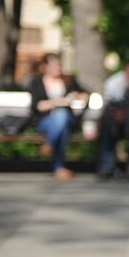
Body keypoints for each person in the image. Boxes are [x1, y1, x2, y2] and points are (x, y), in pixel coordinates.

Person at [26, 54, 89, 182]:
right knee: (61, 125)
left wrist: (80, 97)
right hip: (45, 121)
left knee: (62, 116)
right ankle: (59, 168)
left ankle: (49, 144)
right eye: (54, 65)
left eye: (59, 65)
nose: (58, 68)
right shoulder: (37, 82)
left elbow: (85, 94)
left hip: (68, 119)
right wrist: (59, 102)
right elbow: (37, 106)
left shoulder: (68, 80)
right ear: (45, 67)